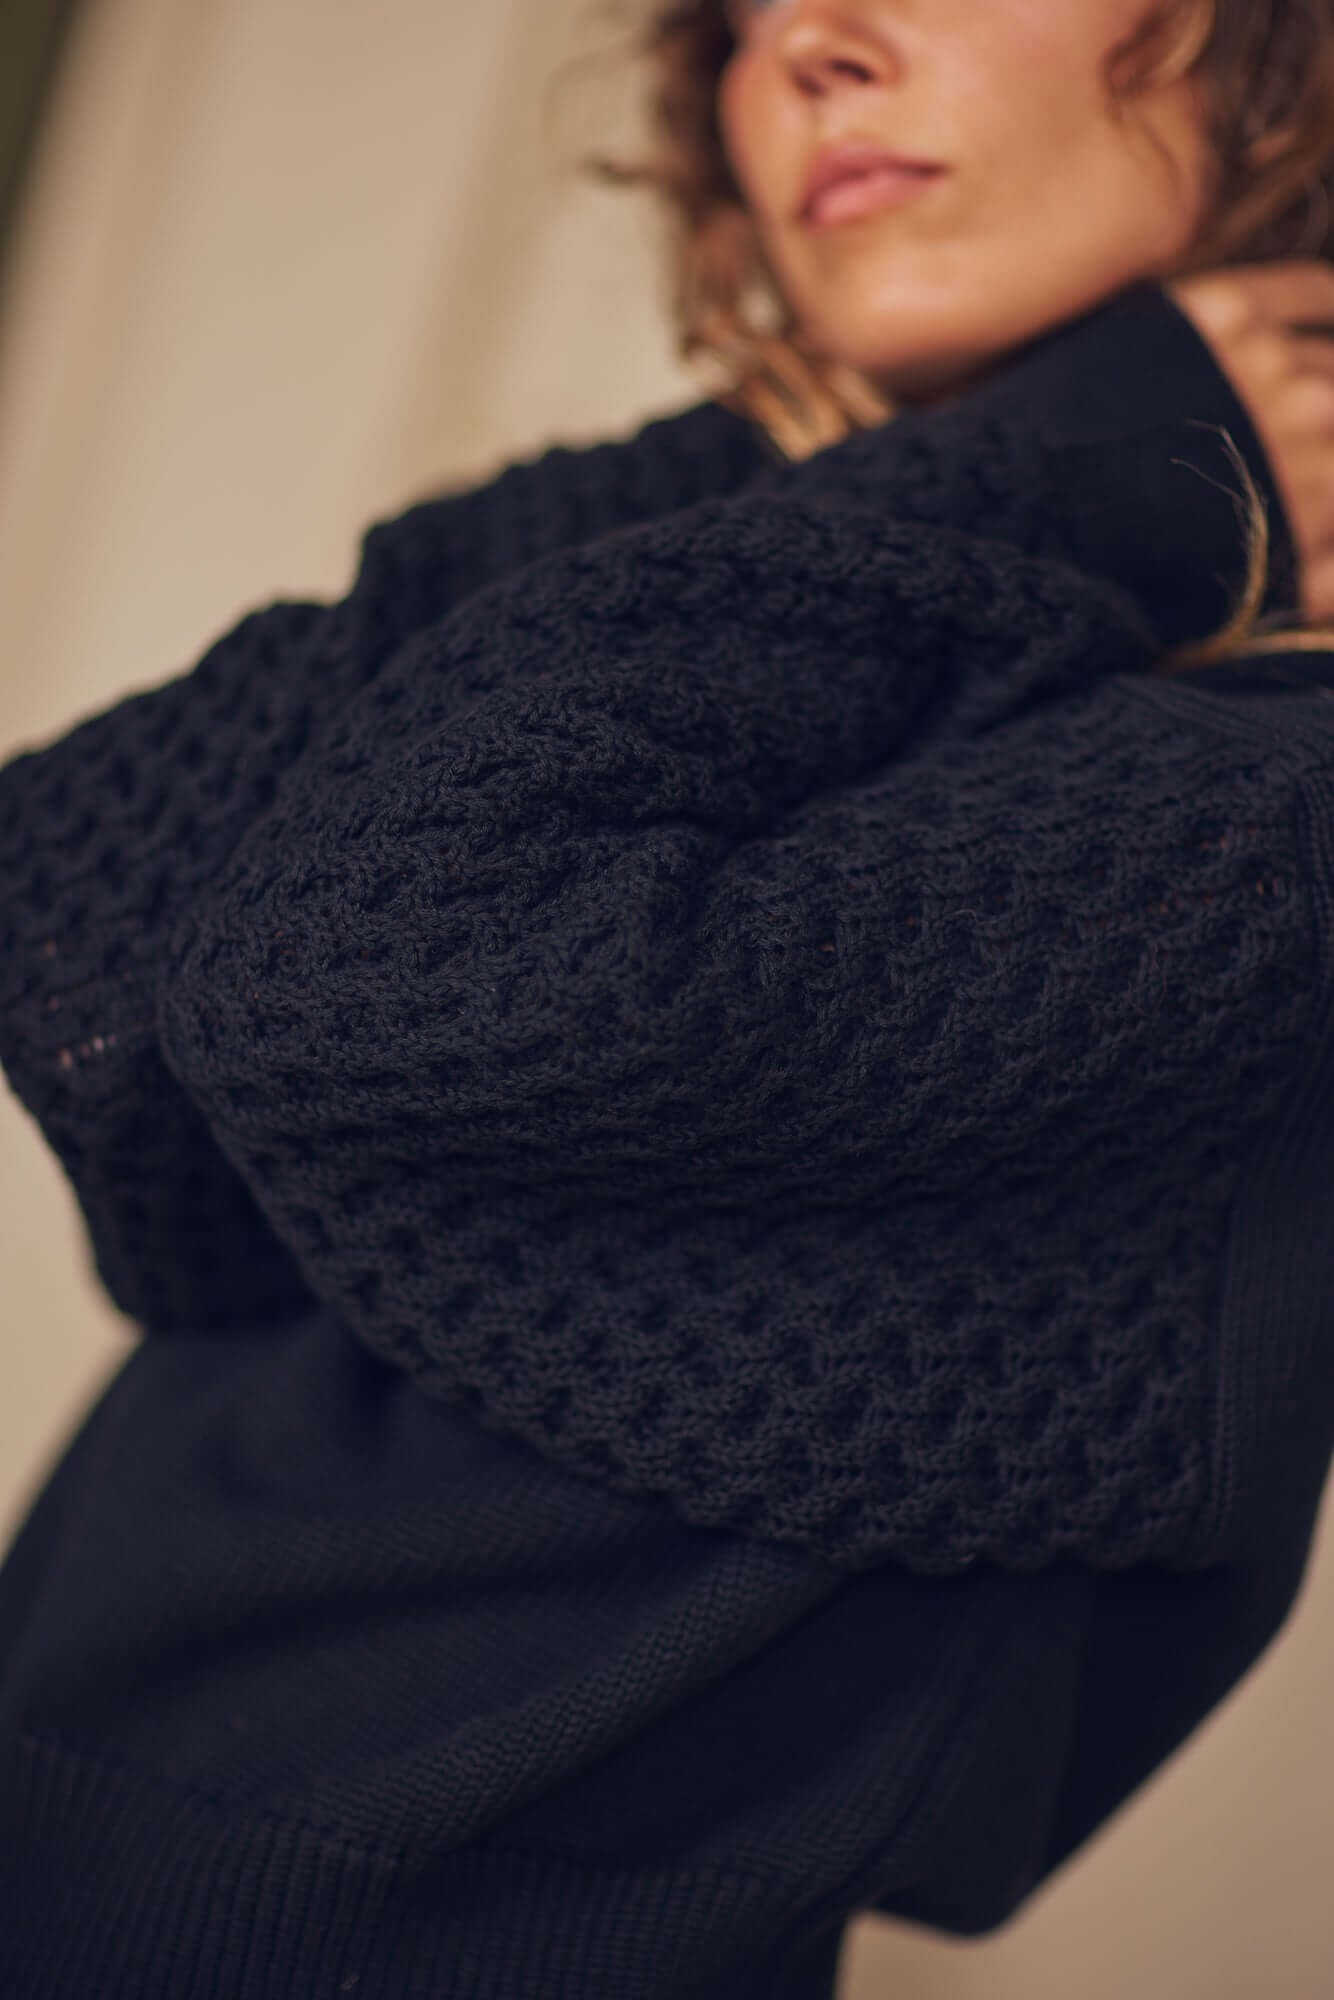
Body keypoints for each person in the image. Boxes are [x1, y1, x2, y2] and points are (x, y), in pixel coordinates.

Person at [2, 2, 1334, 1994]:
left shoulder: (1263, 782)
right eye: (738, 9)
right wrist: (1040, 454)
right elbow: (79, 897)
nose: (810, 37)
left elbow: (355, 971)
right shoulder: (838, 583)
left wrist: (1091, 454)